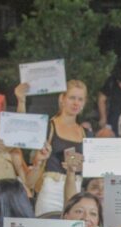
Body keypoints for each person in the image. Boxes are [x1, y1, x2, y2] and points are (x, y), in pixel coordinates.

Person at [29, 80, 91, 216]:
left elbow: (92, 167)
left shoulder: (86, 133)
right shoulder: (47, 127)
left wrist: (82, 167)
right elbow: (34, 162)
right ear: (62, 99)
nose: (76, 103)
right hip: (51, 190)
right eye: (72, 98)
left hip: (76, 191)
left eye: (80, 99)